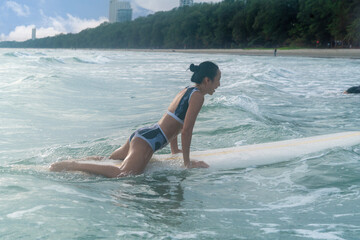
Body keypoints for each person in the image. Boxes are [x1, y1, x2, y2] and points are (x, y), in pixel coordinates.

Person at [50, 61, 221, 178]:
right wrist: (187, 163)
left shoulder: (187, 90)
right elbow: (186, 130)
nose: (218, 85)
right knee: (123, 175)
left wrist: (174, 151)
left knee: (109, 161)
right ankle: (72, 165)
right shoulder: (198, 97)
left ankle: (80, 163)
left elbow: (175, 122)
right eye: (217, 80)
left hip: (144, 135)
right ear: (207, 80)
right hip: (149, 141)